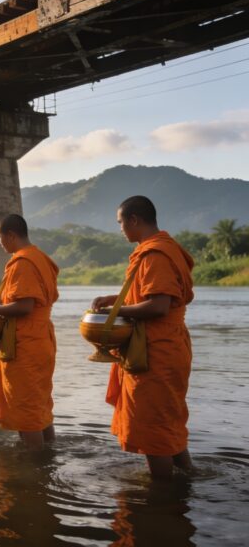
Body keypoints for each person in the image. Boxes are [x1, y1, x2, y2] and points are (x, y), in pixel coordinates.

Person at [91, 195, 194, 480]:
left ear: (134, 220)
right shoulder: (160, 249)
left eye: (121, 223)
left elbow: (159, 305)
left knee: (152, 429)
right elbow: (151, 293)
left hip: (155, 353)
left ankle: (160, 498)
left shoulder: (155, 254)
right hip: (165, 348)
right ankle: (187, 480)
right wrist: (115, 298)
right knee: (166, 422)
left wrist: (116, 311)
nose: (120, 229)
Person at [0, 214, 59, 450]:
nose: (0, 243)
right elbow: (26, 295)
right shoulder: (39, 258)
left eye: (0, 238)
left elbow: (25, 305)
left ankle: (33, 466)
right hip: (41, 340)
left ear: (11, 235)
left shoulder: (23, 262)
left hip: (25, 345)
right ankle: (48, 452)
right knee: (38, 404)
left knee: (25, 408)